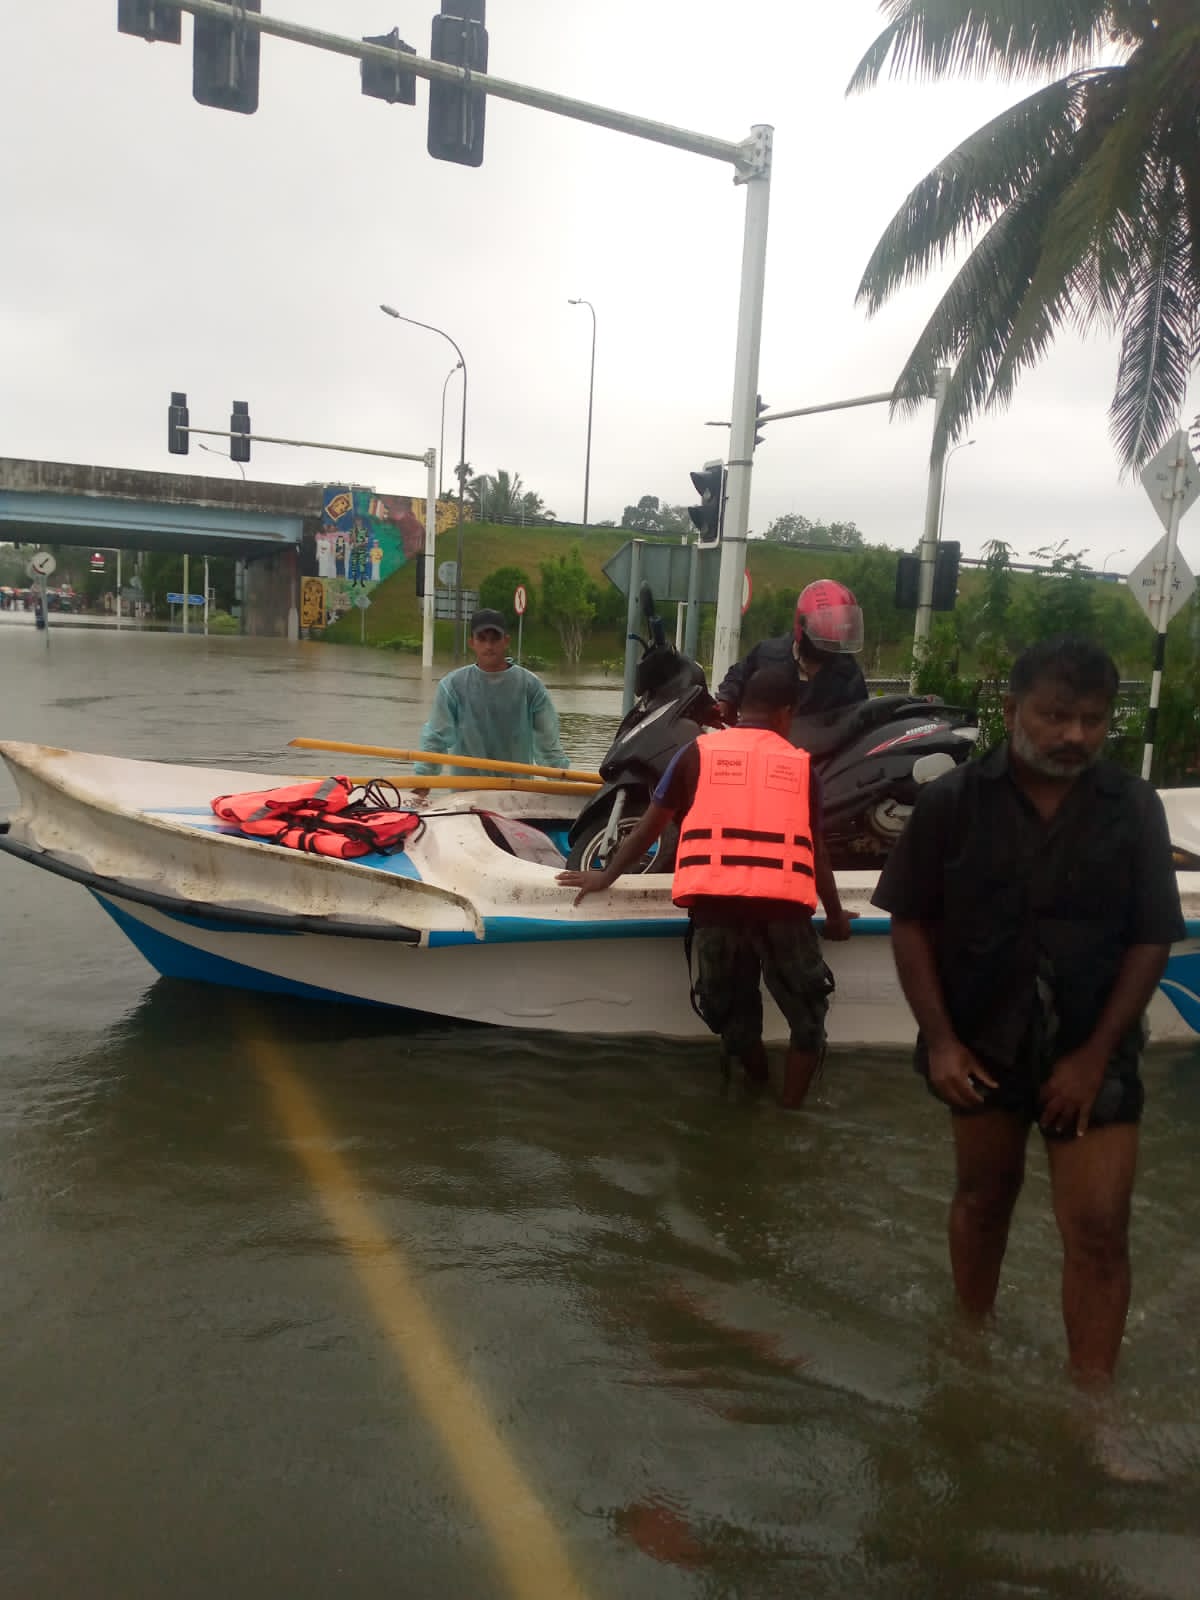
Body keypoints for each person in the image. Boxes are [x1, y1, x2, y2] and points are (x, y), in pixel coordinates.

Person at [871, 637, 1185, 1382]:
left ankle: (1091, 1407)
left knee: (1102, 1230)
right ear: (1010, 711)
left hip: (1093, 1045)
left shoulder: (1133, 808)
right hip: (980, 1041)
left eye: (1092, 719)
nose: (1074, 735)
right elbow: (910, 919)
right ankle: (969, 1353)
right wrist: (940, 1041)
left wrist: (1095, 1056)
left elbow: (1150, 938)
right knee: (983, 1200)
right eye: (1054, 716)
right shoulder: (952, 802)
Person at [559, 667, 853, 1106]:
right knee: (808, 1021)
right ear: (785, 713)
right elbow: (817, 852)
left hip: (717, 906)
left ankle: (756, 1088)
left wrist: (605, 875)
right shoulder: (799, 765)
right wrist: (834, 916)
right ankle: (791, 1112)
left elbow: (649, 829)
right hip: (783, 909)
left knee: (734, 1021)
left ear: (739, 710)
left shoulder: (696, 754)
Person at [416, 607, 568, 775]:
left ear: (506, 641)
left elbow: (549, 747)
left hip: (516, 790)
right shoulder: (452, 686)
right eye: (482, 639)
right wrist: (422, 783)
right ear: (472, 642)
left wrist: (563, 782)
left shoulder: (530, 686)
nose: (489, 646)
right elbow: (435, 739)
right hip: (467, 791)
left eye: (495, 639)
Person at [715, 579, 868, 725]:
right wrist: (726, 700)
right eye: (823, 642)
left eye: (834, 642)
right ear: (802, 628)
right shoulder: (768, 654)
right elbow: (738, 675)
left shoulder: (848, 672)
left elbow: (859, 720)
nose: (829, 650)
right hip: (771, 746)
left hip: (828, 749)